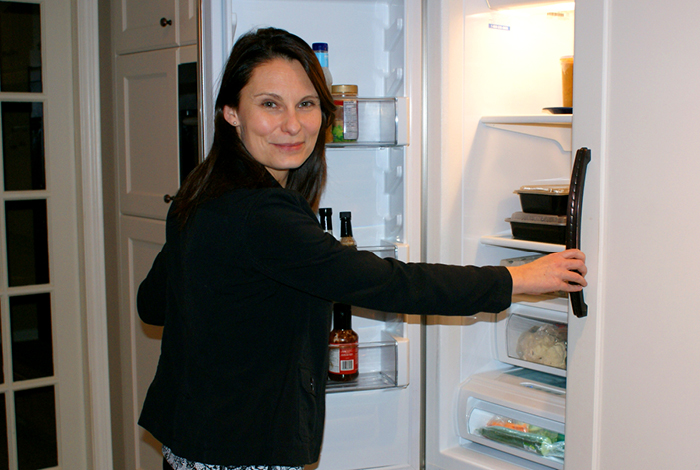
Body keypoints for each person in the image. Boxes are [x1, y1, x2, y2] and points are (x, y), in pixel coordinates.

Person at [137, 27, 587, 470]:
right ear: (231, 112)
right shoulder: (261, 214)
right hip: (243, 451)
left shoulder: (202, 192)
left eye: (307, 104)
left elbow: (153, 303)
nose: (293, 124)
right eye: (270, 104)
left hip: (192, 443)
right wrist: (517, 277)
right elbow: (389, 283)